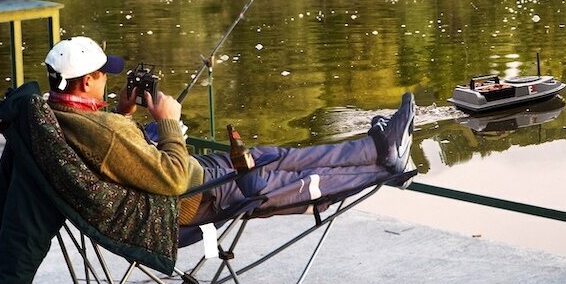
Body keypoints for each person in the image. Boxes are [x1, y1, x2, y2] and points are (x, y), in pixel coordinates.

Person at [43, 36, 415, 226]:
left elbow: (123, 156)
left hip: (194, 179)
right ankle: (384, 169)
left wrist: (124, 113)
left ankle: (377, 148)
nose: (108, 79)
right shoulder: (102, 131)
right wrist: (167, 121)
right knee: (283, 179)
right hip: (193, 199)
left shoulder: (61, 116)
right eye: (103, 74)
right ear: (88, 80)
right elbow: (171, 178)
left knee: (274, 156)